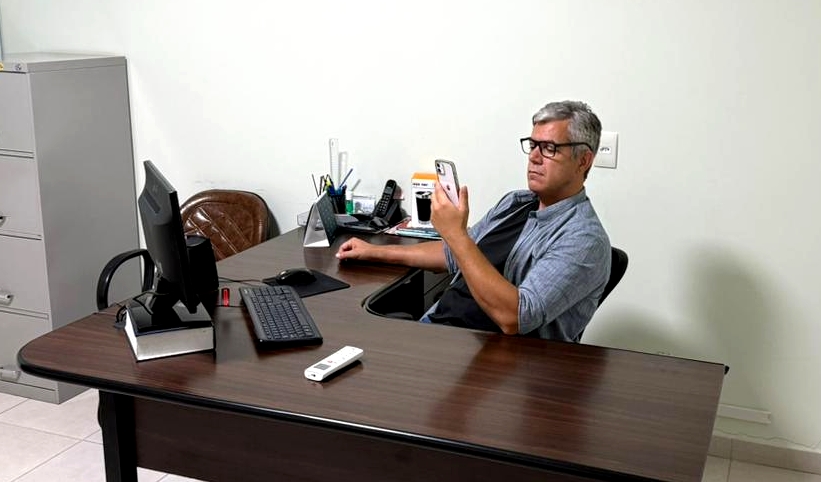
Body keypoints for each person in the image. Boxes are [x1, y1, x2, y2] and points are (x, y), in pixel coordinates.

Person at [336, 100, 611, 342]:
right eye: (532, 145)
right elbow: (454, 254)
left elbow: (514, 317)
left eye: (549, 148)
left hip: (502, 363)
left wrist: (456, 234)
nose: (534, 157)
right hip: (442, 331)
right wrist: (374, 251)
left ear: (583, 161)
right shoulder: (515, 203)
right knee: (347, 340)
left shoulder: (584, 238)